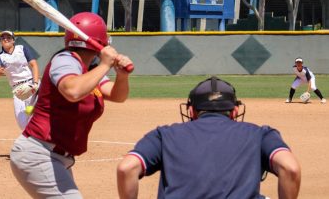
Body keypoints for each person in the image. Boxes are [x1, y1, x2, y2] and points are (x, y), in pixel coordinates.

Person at [10, 12, 133, 198]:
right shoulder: (65, 60)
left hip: (57, 158)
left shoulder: (89, 70)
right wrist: (105, 64)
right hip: (38, 155)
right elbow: (72, 91)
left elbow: (117, 96)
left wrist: (122, 76)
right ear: (102, 41)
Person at [117, 76, 301, 199]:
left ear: (191, 110)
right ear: (235, 110)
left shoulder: (164, 135)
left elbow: (126, 169)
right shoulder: (260, 134)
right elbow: (290, 168)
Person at [0, 30, 40, 130]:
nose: (6, 39)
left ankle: (39, 138)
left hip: (30, 83)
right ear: (0, 41)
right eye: (3, 38)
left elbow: (34, 65)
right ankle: (31, 137)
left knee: (35, 114)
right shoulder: (0, 56)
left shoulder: (22, 49)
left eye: (8, 37)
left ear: (13, 40)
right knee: (21, 121)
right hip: (17, 89)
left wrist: (35, 83)